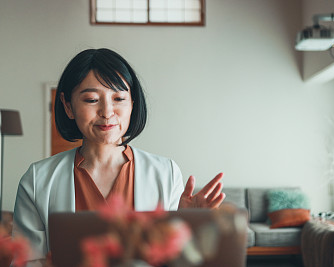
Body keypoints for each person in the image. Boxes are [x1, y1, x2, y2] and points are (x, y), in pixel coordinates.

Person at [12, 48, 225, 266]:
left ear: (132, 103)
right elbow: (25, 260)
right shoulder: (37, 180)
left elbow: (176, 260)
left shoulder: (166, 173)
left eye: (119, 98)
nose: (107, 111)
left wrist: (187, 227)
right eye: (92, 99)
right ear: (68, 106)